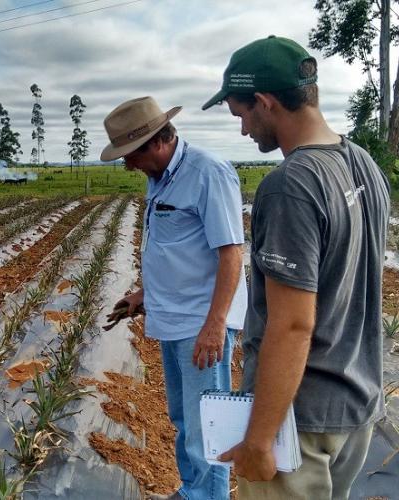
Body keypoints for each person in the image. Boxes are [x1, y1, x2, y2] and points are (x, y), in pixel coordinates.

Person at [202, 36, 390, 500]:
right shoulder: (364, 164)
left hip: (299, 424)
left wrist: (260, 440)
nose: (244, 130)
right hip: (356, 406)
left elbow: (291, 324)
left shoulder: (291, 185)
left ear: (265, 102)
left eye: (242, 115)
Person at [101, 96, 247, 500]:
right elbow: (175, 246)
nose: (127, 165)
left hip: (202, 322)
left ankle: (208, 496)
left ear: (156, 143)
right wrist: (145, 294)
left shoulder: (208, 173)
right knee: (184, 418)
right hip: (174, 317)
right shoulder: (159, 177)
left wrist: (215, 324)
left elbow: (231, 253)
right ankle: (192, 491)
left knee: (207, 425)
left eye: (130, 155)